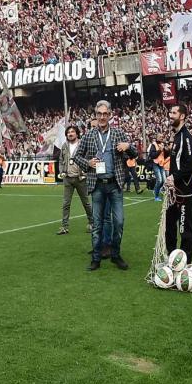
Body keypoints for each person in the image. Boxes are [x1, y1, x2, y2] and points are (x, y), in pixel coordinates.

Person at [76, 99, 134, 271]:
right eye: (99, 114)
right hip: (97, 186)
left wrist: (128, 146)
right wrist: (88, 163)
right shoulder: (88, 135)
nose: (102, 117)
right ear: (96, 115)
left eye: (105, 114)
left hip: (115, 185)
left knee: (119, 222)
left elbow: (134, 154)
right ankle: (96, 258)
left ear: (110, 115)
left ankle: (115, 254)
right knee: (97, 225)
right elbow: (77, 156)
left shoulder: (118, 133)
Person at [165, 103, 192, 264]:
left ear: (182, 116)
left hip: (184, 191)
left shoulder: (186, 137)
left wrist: (175, 177)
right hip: (173, 191)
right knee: (169, 225)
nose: (170, 115)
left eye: (173, 113)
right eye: (170, 113)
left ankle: (186, 261)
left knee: (185, 227)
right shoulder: (177, 136)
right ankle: (171, 258)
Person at [54, 125, 93, 236]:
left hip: (81, 178)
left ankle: (92, 223)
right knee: (66, 204)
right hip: (68, 178)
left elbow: (88, 158)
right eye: (68, 132)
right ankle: (64, 226)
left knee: (86, 202)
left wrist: (86, 171)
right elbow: (61, 160)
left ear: (77, 133)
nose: (70, 134)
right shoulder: (64, 146)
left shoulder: (82, 144)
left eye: (72, 132)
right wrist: (62, 171)